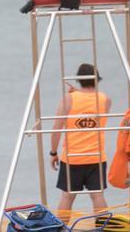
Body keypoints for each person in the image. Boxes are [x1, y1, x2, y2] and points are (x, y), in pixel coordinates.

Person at [48, 63, 112, 215]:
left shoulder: (68, 99)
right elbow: (90, 106)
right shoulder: (105, 100)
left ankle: (62, 229)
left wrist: (53, 152)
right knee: (98, 195)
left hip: (72, 157)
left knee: (67, 196)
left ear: (78, 80)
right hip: (96, 156)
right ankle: (102, 227)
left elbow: (56, 128)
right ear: (96, 79)